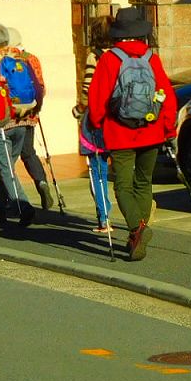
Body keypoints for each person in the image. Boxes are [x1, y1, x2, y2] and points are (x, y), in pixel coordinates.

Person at [86, 6, 177, 260]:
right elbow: (167, 96)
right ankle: (139, 231)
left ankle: (137, 228)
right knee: (144, 182)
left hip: (120, 133)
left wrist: (95, 122)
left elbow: (97, 98)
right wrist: (169, 127)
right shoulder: (151, 59)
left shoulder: (109, 59)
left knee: (123, 185)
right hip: (152, 130)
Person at [0, 22, 36, 228]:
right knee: (7, 166)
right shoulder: (20, 59)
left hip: (3, 122)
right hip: (23, 118)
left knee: (5, 169)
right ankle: (1, 209)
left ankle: (24, 207)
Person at [3, 26, 55, 211]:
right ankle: (41, 183)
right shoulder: (31, 58)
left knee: (5, 161)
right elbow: (41, 87)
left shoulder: (4, 60)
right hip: (30, 115)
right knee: (29, 152)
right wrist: (36, 109)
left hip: (10, 118)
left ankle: (8, 201)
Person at [76, 16, 112, 233]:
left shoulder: (94, 56)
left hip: (97, 119)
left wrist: (78, 109)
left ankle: (103, 217)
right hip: (119, 118)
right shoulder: (121, 55)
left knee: (97, 170)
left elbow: (88, 90)